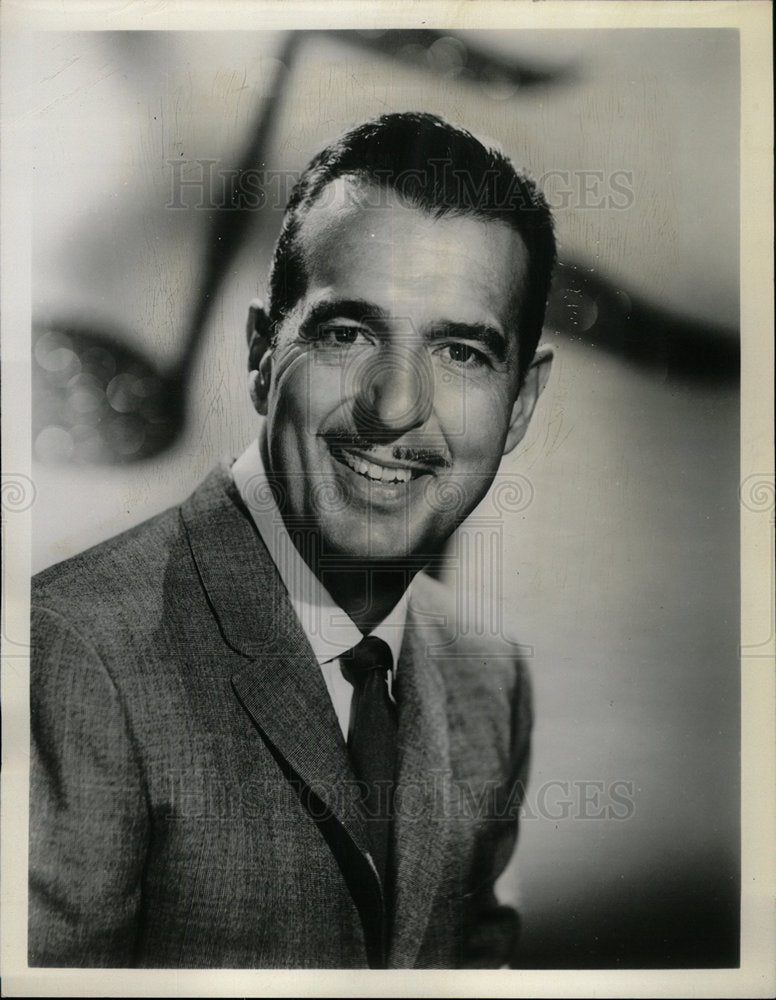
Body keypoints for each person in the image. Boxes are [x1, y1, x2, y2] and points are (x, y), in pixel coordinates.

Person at [28, 111, 556, 969]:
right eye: (348, 334)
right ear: (262, 356)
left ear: (522, 403)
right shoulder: (75, 652)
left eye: (461, 352)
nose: (394, 405)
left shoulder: (490, 682)